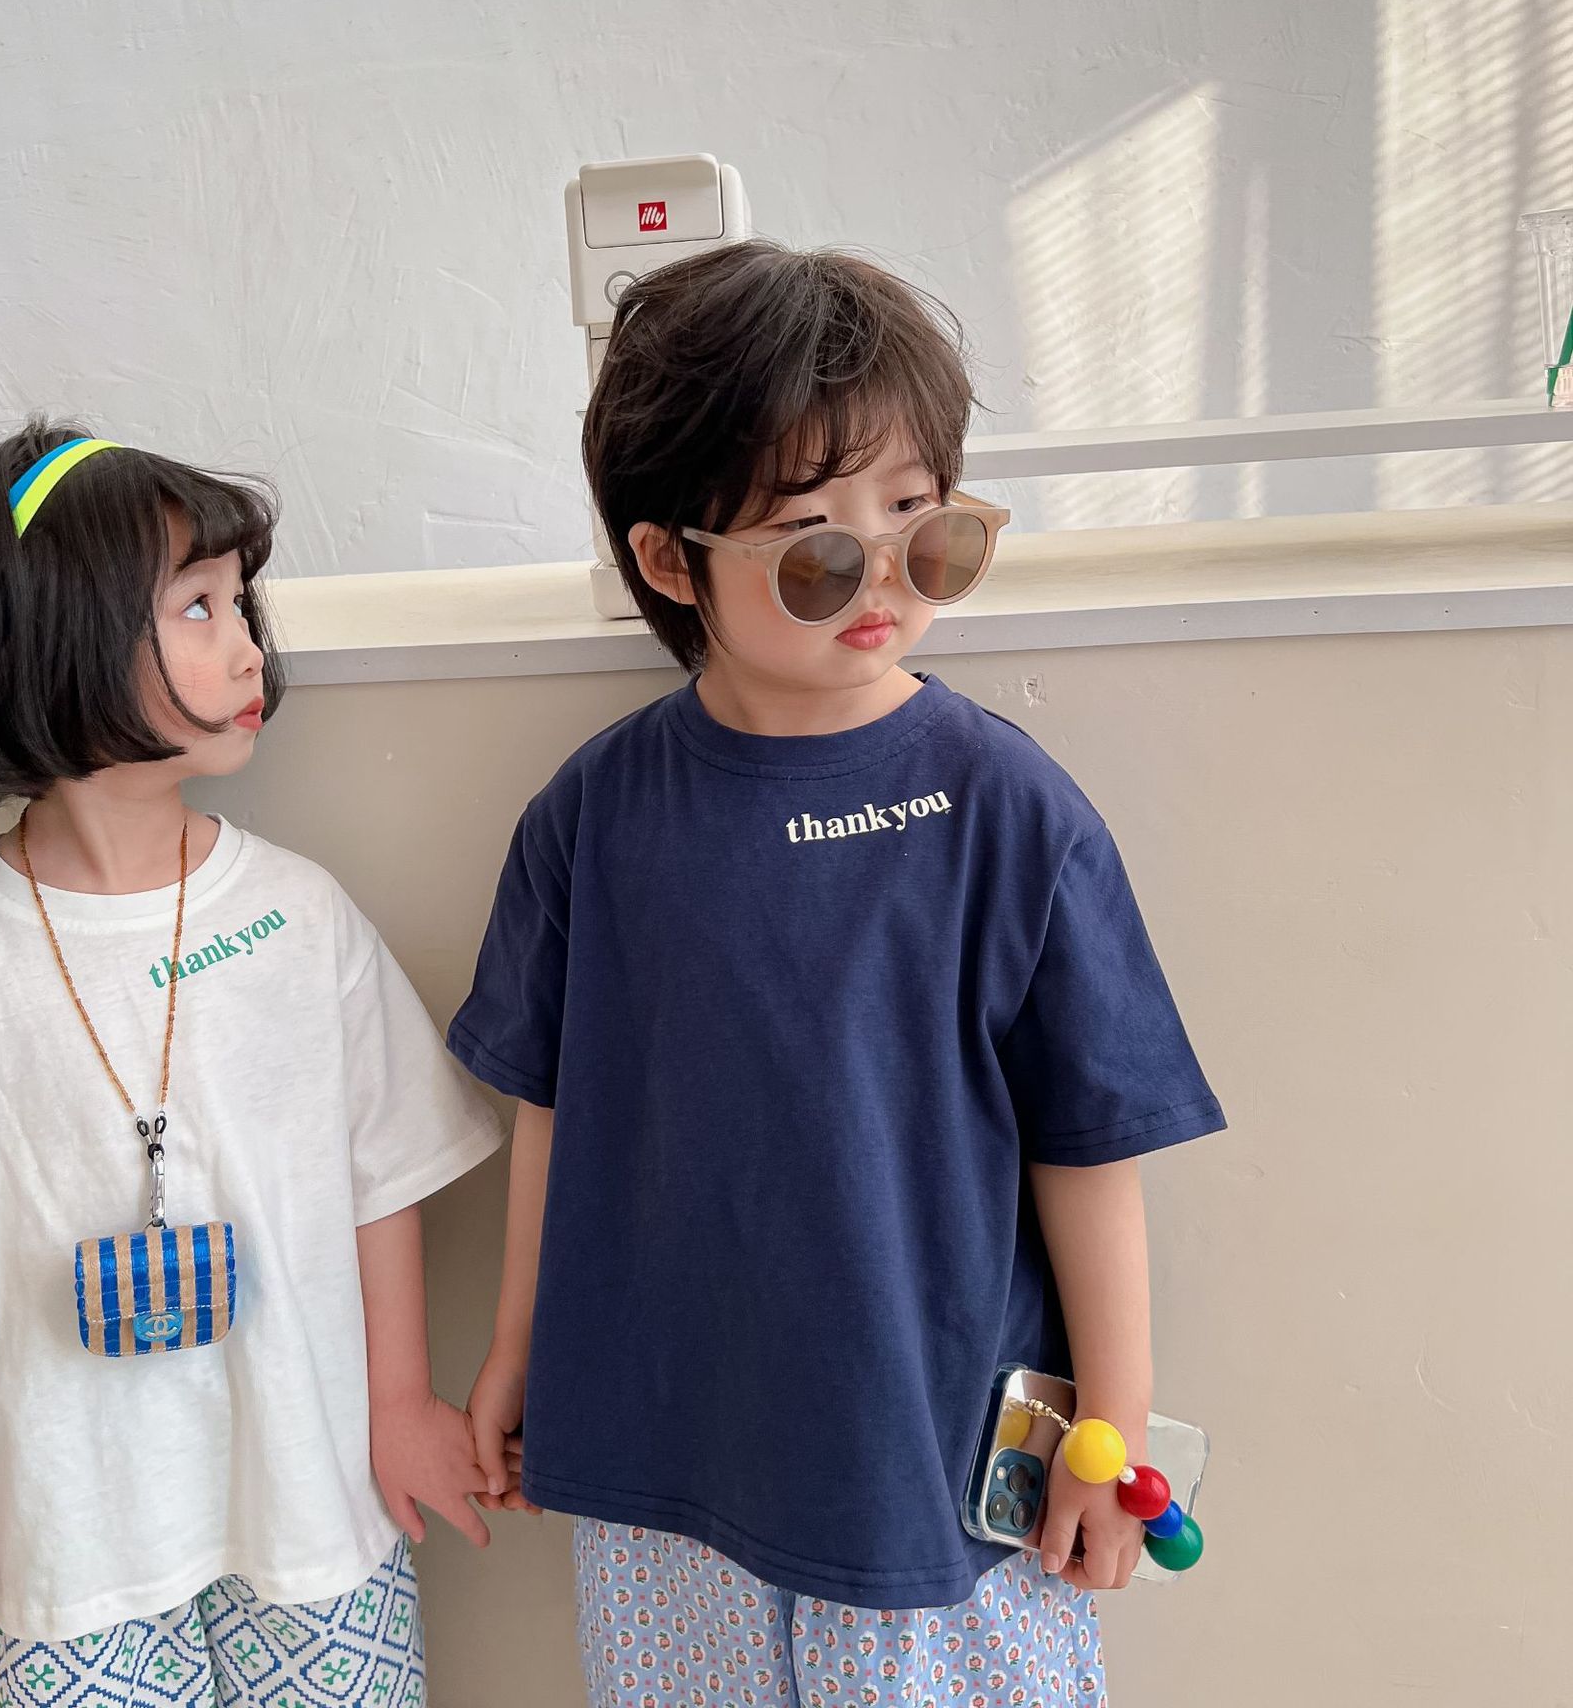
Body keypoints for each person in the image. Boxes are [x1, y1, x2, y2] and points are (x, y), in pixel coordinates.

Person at [453, 243, 1226, 1706]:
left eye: (926, 530)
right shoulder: (595, 815)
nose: (881, 580)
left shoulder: (1008, 810)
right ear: (669, 562)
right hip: (664, 1464)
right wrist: (516, 1347)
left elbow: (1091, 1147)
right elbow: (555, 1106)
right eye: (814, 548)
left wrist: (1112, 1427)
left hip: (931, 1472)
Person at [0, 421, 505, 1707]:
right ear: (43, 643)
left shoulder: (298, 915)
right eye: (199, 607)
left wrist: (399, 1405)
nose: (249, 646)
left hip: (311, 1505)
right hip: (62, 1540)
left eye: (241, 602)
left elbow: (383, 1173)